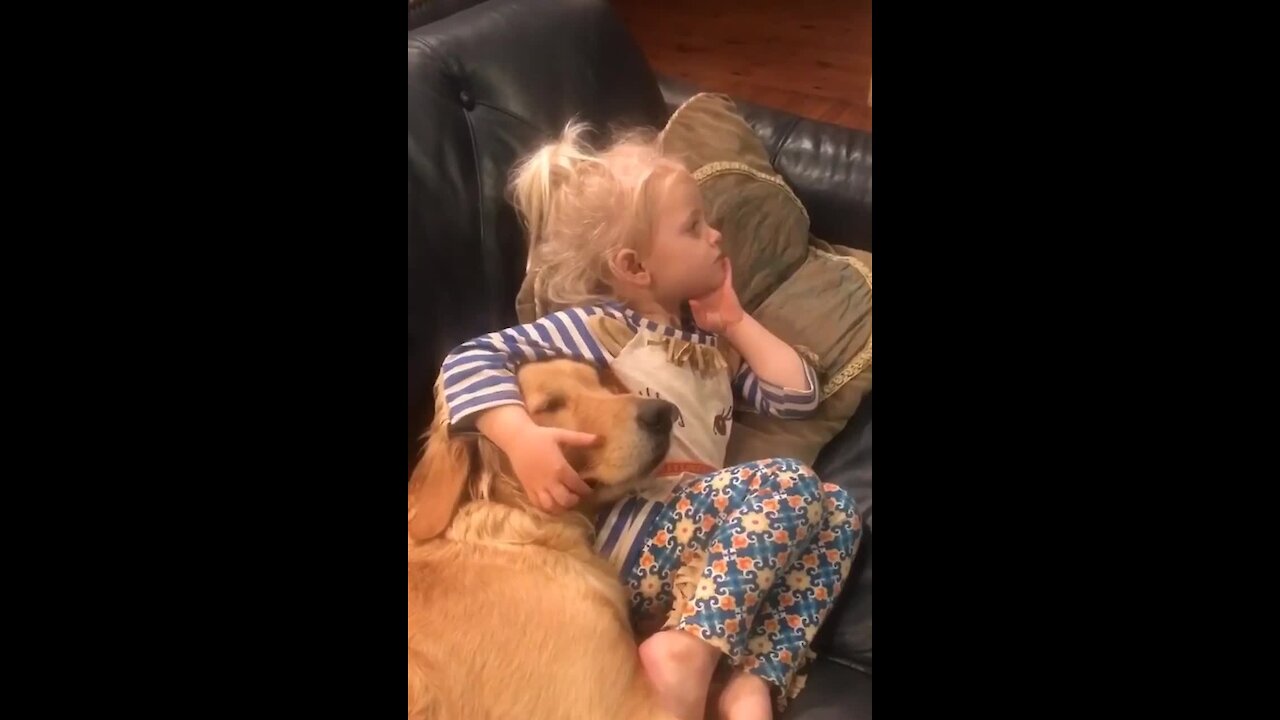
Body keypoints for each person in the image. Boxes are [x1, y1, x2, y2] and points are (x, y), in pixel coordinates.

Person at [438, 123, 861, 720]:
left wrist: (736, 322)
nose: (717, 236)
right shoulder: (592, 327)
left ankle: (752, 681)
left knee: (840, 511)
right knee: (789, 484)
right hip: (632, 529)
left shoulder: (708, 350)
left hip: (704, 542)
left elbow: (796, 397)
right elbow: (468, 358)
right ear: (634, 266)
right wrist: (519, 434)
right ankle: (685, 656)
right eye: (694, 227)